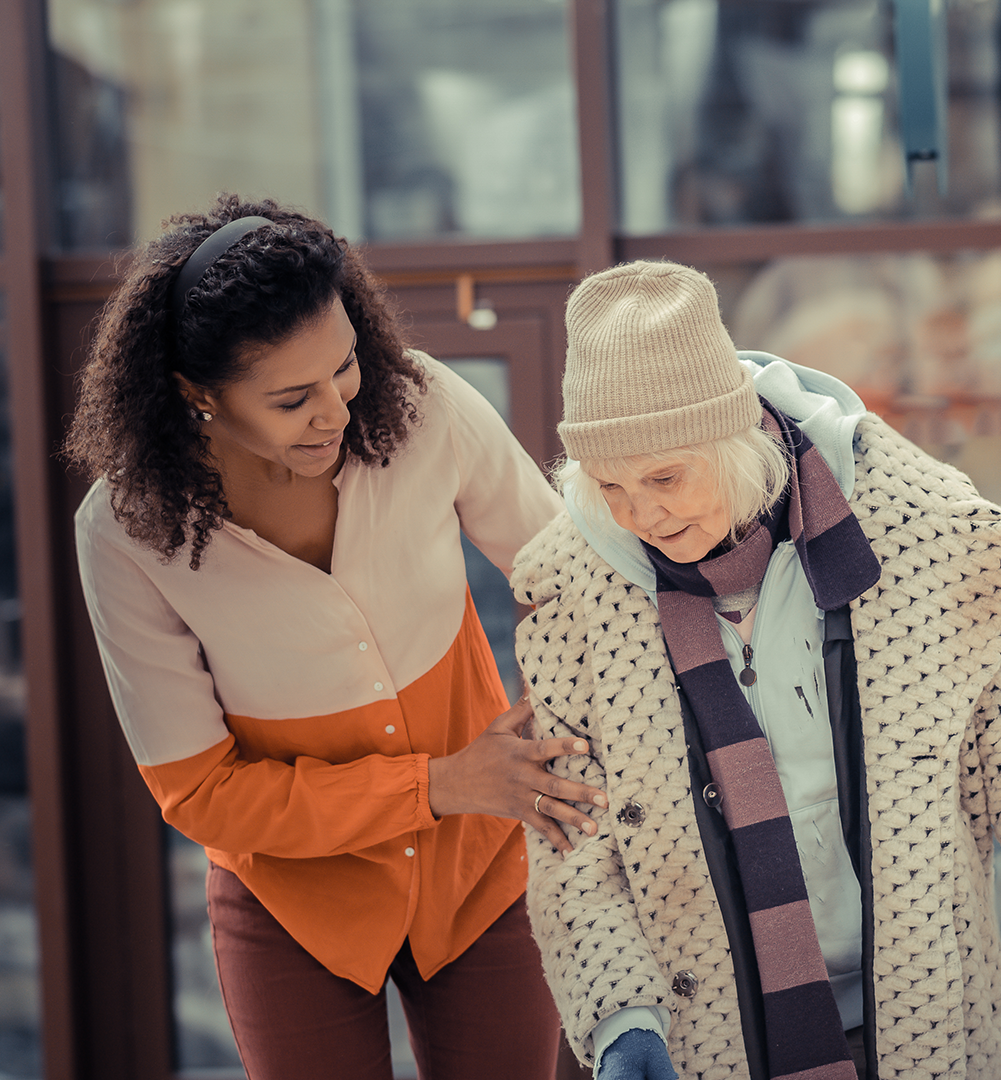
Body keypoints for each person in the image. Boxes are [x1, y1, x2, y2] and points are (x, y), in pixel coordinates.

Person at [512, 261, 1001, 1080]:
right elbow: (576, 834)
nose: (641, 516)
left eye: (665, 478)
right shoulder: (577, 595)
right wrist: (622, 1019)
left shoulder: (918, 533)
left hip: (927, 1020)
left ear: (736, 437)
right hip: (704, 1042)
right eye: (609, 486)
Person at [64, 195, 603, 1079]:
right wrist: (436, 784)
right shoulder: (125, 536)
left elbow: (569, 581)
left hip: (483, 877)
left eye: (345, 367)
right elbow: (200, 793)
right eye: (290, 397)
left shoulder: (422, 405)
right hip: (292, 911)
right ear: (196, 394)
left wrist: (557, 726)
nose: (335, 411)